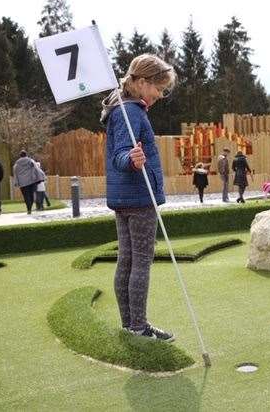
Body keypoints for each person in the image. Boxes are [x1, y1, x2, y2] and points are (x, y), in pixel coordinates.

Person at [100, 53, 176, 341]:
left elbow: (119, 152)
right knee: (140, 261)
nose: (159, 94)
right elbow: (121, 154)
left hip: (123, 198)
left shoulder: (122, 110)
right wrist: (131, 159)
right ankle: (138, 325)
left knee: (127, 260)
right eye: (158, 88)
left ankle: (130, 324)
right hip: (140, 197)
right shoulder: (131, 112)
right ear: (142, 82)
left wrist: (128, 158)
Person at [13, 150, 45, 214]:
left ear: (20, 156)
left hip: (22, 183)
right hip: (31, 181)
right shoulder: (31, 161)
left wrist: (16, 182)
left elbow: (15, 173)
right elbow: (36, 169)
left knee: (26, 196)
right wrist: (40, 177)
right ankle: (30, 206)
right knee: (31, 195)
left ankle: (28, 208)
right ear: (26, 155)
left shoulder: (17, 164)